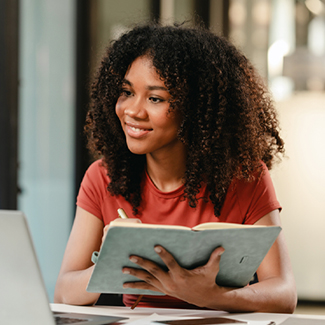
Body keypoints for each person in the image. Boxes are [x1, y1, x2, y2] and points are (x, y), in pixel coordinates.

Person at [54, 23, 297, 313]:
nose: (133, 110)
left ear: (195, 109)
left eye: (155, 98)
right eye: (126, 92)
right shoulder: (103, 177)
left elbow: (284, 294)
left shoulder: (246, 177)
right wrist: (114, 258)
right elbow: (64, 292)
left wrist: (213, 297)